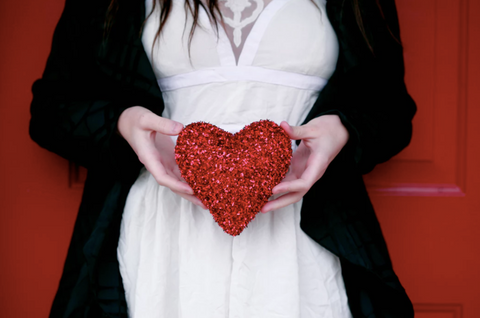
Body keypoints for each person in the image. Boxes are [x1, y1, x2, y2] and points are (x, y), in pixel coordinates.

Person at [30, 0, 416, 317]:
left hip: (308, 230)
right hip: (161, 231)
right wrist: (123, 124)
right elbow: (52, 110)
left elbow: (391, 109)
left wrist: (343, 130)